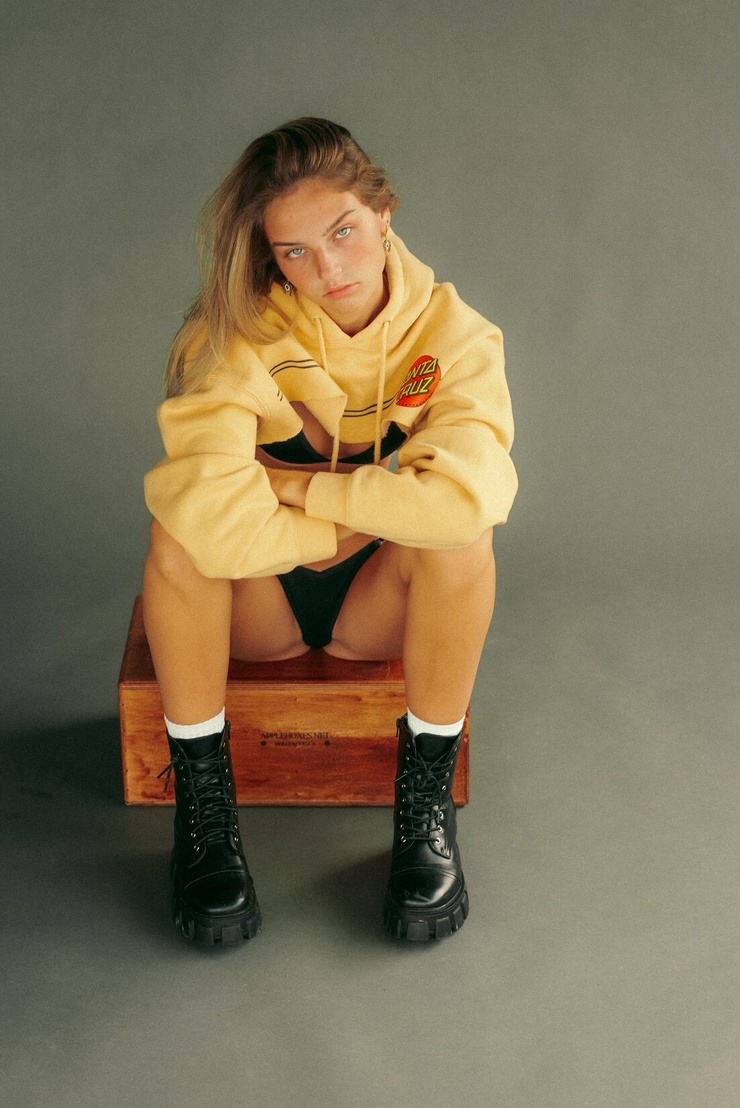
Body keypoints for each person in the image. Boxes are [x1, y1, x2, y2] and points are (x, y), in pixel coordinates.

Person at [143, 117, 517, 946]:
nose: (328, 268)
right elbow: (208, 518)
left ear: (383, 213)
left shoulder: (454, 339)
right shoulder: (230, 334)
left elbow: (466, 503)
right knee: (176, 540)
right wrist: (365, 510)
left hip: (371, 610)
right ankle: (204, 816)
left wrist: (288, 487)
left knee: (462, 542)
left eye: (343, 232)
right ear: (271, 259)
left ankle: (424, 812)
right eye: (296, 251)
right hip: (260, 608)